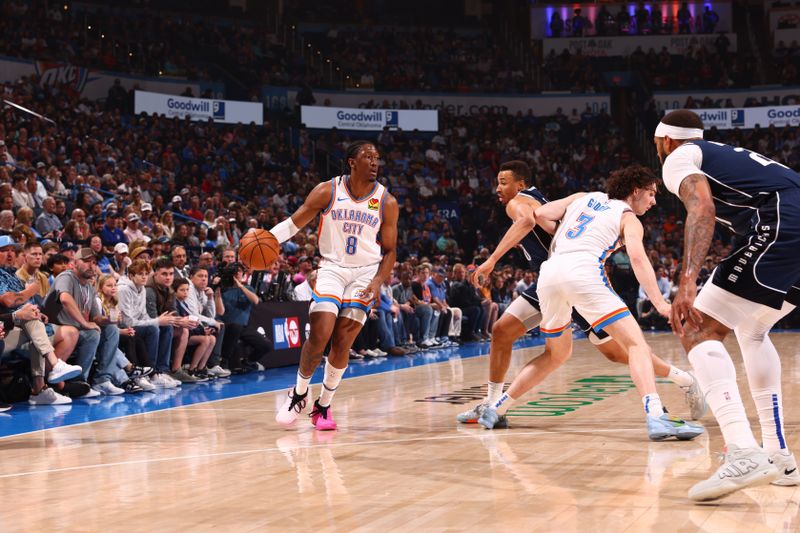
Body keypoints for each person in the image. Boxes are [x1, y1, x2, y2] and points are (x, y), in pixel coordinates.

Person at [457, 161, 704, 427]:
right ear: (635, 191)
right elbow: (637, 257)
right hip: (583, 275)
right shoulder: (627, 217)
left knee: (559, 353)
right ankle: (658, 414)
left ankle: (496, 409)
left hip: (550, 275)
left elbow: (540, 216)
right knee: (635, 346)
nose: (654, 201)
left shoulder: (583, 197)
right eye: (652, 194)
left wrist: (566, 235)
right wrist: (660, 303)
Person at [654, 110, 800, 501]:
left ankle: (742, 450)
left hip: (783, 222)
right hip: (789, 216)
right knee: (753, 330)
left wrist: (686, 283)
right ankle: (779, 457)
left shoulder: (678, 158)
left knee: (696, 327)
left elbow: (701, 209)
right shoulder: (727, 154)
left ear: (665, 140)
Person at [273, 141, 399, 431]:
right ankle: (300, 393)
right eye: (368, 156)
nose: (374, 162)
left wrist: (379, 282)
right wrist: (267, 237)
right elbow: (294, 224)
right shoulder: (327, 190)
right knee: (320, 333)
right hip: (331, 268)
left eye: (377, 157)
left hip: (366, 273)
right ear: (351, 162)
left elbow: (390, 250)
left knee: (343, 340)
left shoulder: (386, 201)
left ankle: (324, 405)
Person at [50, 247, 120, 396]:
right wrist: (85, 323)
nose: (91, 265)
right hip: (56, 328)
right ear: (75, 262)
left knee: (112, 330)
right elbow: (65, 299)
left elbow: (95, 318)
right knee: (92, 334)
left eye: (94, 262)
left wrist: (109, 319)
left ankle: (102, 380)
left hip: (75, 329)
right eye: (86, 261)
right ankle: (79, 382)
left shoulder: (89, 286)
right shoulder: (66, 277)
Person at [117, 259, 181, 388]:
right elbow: (127, 321)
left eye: (146, 273)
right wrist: (156, 321)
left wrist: (158, 321)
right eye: (141, 274)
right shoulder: (123, 290)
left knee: (166, 327)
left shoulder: (142, 289)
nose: (144, 276)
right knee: (154, 328)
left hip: (137, 325)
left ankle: (161, 370)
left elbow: (143, 315)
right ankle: (151, 372)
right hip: (124, 327)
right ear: (131, 276)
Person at [173, 277, 215, 381]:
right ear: (174, 291)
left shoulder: (184, 303)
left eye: (187, 290)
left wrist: (203, 329)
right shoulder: (175, 303)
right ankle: (192, 369)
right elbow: (183, 324)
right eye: (182, 290)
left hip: (190, 332)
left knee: (212, 339)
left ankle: (201, 368)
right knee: (205, 339)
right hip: (181, 333)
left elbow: (191, 321)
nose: (185, 293)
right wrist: (201, 331)